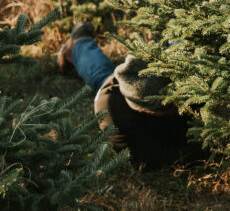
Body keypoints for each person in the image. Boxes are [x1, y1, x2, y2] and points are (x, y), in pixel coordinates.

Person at [57, 21, 203, 171]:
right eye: (168, 106)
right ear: (143, 110)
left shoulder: (153, 72)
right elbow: (151, 160)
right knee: (99, 74)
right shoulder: (113, 119)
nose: (178, 106)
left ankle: (79, 45)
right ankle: (78, 46)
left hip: (129, 81)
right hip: (110, 94)